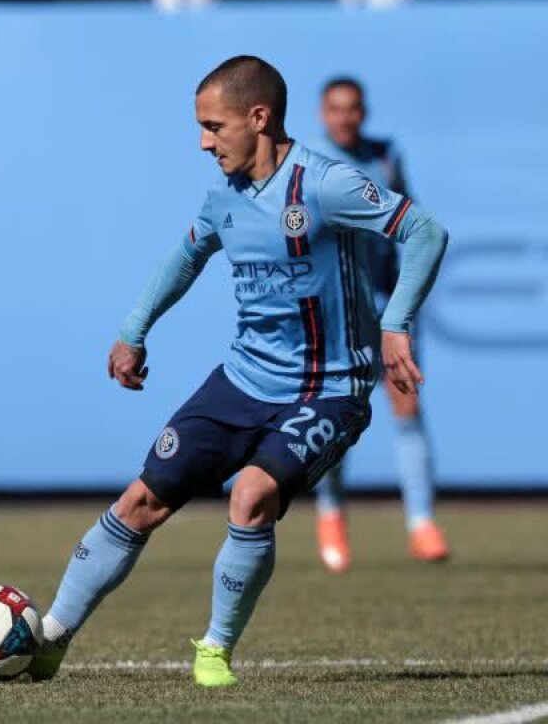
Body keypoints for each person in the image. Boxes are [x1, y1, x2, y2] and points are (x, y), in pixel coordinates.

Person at [27, 56, 448, 688]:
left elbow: (424, 232)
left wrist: (395, 324)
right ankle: (49, 640)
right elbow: (186, 256)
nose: (203, 141)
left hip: (330, 389)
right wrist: (132, 332)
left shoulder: (327, 185)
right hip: (242, 381)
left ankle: (215, 651)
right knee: (140, 502)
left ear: (259, 118)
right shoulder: (223, 196)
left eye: (213, 126)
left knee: (251, 495)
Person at [311, 77, 449, 571]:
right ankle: (331, 516)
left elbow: (411, 226)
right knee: (337, 415)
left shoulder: (386, 157)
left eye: (353, 109)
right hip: (338, 309)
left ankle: (422, 521)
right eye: (336, 109)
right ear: (322, 113)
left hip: (387, 305)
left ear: (363, 112)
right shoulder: (309, 162)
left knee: (407, 403)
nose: (345, 118)